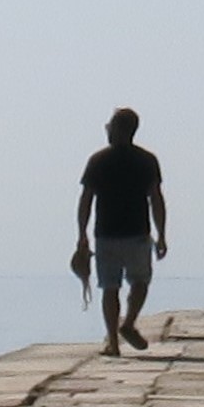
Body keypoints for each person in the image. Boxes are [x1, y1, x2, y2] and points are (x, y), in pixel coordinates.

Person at [73, 107, 167, 355]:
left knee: (110, 287)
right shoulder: (147, 160)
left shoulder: (98, 160)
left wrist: (82, 234)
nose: (107, 129)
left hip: (107, 234)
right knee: (140, 282)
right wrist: (162, 234)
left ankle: (114, 343)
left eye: (110, 126)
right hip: (137, 233)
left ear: (120, 129)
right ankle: (128, 323)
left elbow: (86, 200)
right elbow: (156, 199)